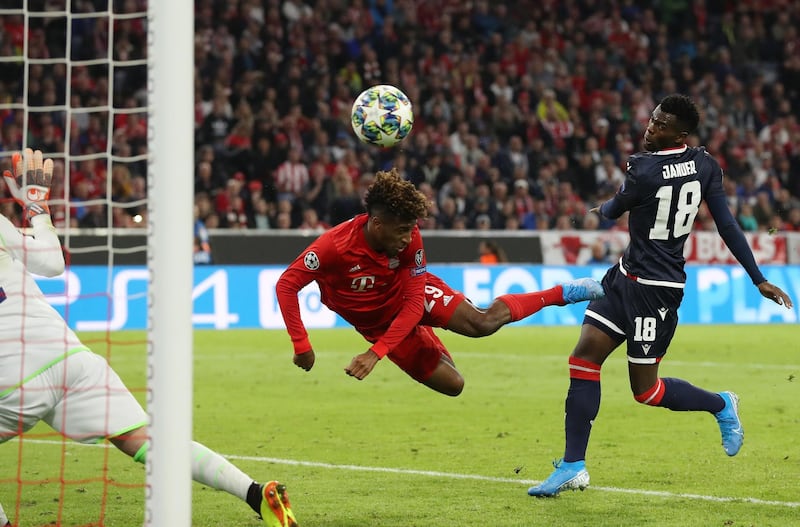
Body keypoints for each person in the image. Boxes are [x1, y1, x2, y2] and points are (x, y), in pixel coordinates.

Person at [0, 150, 298, 527]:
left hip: (11, 378)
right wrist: (36, 206)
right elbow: (52, 264)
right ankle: (256, 492)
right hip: (68, 358)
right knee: (146, 438)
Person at [527, 94, 794, 497]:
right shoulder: (706, 165)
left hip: (657, 292)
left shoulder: (642, 168)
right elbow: (727, 225)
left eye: (660, 124)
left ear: (679, 133)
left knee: (646, 392)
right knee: (583, 358)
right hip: (623, 277)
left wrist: (598, 209)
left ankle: (721, 404)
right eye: (652, 119)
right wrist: (757, 278)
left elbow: (616, 209)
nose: (650, 127)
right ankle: (573, 465)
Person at [275, 168, 604, 396]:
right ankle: (418, 338)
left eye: (411, 229)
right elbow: (287, 284)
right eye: (401, 230)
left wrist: (375, 354)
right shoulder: (334, 247)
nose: (409, 238)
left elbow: (415, 303)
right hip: (379, 325)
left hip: (407, 296)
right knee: (454, 385)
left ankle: (563, 292)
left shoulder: (410, 237)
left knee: (482, 323)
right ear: (376, 224)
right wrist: (301, 345)